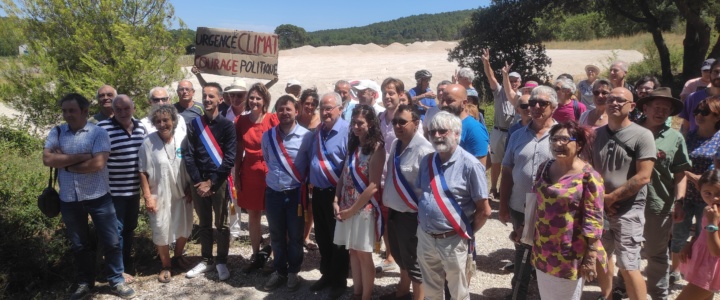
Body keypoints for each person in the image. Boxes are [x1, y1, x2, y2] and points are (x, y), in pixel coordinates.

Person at [42, 93, 135, 299]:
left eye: (72, 110)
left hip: (98, 196)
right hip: (68, 198)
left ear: (84, 111)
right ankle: (85, 283)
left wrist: (64, 162)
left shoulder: (98, 133)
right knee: (80, 244)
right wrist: (83, 157)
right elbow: (47, 159)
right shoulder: (57, 132)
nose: (67, 115)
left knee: (111, 241)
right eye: (64, 111)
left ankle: (116, 280)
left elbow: (98, 164)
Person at [416, 111, 491, 300]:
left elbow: (484, 210)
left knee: (458, 292)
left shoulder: (471, 165)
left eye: (443, 131)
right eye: (432, 132)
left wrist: (465, 233)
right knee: (431, 290)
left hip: (453, 239)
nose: (437, 136)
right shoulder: (427, 161)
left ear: (456, 134)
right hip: (426, 236)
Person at [592, 87, 656, 300]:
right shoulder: (595, 134)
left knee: (629, 265)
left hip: (629, 209)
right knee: (602, 258)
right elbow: (587, 169)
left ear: (632, 106)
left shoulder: (642, 135)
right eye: (610, 99)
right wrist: (601, 199)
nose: (614, 103)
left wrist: (611, 198)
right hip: (600, 209)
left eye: (621, 100)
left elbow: (644, 176)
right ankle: (607, 296)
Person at [530, 121, 605, 300]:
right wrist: (524, 228)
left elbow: (594, 219)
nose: (558, 144)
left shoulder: (589, 176)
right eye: (554, 139)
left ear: (578, 144)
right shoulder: (545, 168)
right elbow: (536, 202)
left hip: (570, 253)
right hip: (543, 248)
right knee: (547, 296)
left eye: (564, 139)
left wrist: (591, 256)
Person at [500, 86, 558, 300]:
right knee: (522, 252)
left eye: (542, 103)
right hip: (519, 205)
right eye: (531, 103)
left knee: (549, 254)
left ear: (553, 107)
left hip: (551, 210)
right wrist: (503, 205)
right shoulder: (516, 135)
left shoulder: (563, 135)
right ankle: (518, 294)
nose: (535, 107)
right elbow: (507, 170)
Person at [632, 87, 690, 299]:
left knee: (656, 253)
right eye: (656, 107)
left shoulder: (675, 138)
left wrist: (680, 201)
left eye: (665, 109)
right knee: (627, 249)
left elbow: (681, 173)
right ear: (645, 108)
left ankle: (658, 293)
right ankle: (624, 285)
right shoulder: (630, 131)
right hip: (628, 203)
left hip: (659, 203)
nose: (660, 112)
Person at [380, 104, 434, 300]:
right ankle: (402, 292)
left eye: (402, 122)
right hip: (395, 212)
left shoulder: (424, 150)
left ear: (416, 123)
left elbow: (430, 190)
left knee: (414, 262)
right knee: (401, 257)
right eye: (395, 122)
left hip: (412, 216)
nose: (397, 125)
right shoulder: (396, 144)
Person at [184, 82, 236, 281]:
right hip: (198, 183)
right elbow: (189, 155)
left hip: (219, 182)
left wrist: (212, 183)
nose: (207, 99)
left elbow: (230, 158)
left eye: (212, 96)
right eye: (205, 96)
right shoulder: (194, 125)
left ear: (220, 100)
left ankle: (221, 260)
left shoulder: (227, 126)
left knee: (221, 225)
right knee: (204, 224)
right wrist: (198, 182)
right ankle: (206, 259)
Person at [333, 104, 386, 300]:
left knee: (364, 254)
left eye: (360, 123)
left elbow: (373, 186)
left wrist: (352, 210)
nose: (356, 126)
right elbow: (343, 175)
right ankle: (356, 292)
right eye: (354, 123)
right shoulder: (353, 145)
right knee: (352, 252)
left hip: (363, 209)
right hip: (346, 205)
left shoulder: (377, 148)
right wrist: (336, 200)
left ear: (371, 123)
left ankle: (366, 296)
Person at [261, 95, 313, 291]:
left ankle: (293, 272)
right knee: (276, 235)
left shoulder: (306, 136)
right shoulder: (268, 136)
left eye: (288, 109)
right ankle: (280, 271)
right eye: (281, 109)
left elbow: (309, 163)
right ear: (276, 112)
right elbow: (267, 159)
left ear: (296, 111)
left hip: (295, 195)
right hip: (273, 192)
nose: (284, 113)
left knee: (295, 235)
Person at [138, 104, 193, 283]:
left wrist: (191, 187)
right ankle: (166, 264)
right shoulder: (148, 142)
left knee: (184, 226)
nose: (162, 124)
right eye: (158, 121)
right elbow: (142, 171)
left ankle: (177, 256)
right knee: (161, 228)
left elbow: (192, 164)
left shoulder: (183, 138)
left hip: (183, 193)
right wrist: (147, 197)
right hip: (159, 194)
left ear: (174, 121)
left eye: (166, 120)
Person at [96, 95, 147, 282]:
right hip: (113, 192)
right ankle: (116, 271)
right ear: (113, 110)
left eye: (126, 108)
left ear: (133, 108)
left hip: (134, 191)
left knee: (129, 229)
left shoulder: (141, 126)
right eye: (118, 109)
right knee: (114, 232)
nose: (123, 112)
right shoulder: (102, 129)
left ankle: (125, 264)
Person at [672, 96, 720, 286]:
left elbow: (717, 175)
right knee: (679, 233)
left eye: (705, 112)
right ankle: (675, 270)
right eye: (697, 111)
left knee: (705, 235)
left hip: (709, 198)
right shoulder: (689, 135)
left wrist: (693, 177)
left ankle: (703, 277)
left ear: (717, 116)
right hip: (687, 194)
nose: (698, 115)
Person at [308, 92, 351, 299]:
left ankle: (339, 280)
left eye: (329, 108)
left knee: (338, 240)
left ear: (340, 109)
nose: (324, 112)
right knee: (323, 236)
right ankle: (326, 274)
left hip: (337, 194)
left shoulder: (348, 132)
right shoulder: (319, 131)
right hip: (318, 192)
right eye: (322, 108)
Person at [235, 83, 279, 273]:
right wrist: (236, 175)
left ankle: (276, 256)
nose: (254, 101)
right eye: (251, 97)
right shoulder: (240, 121)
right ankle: (255, 254)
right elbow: (238, 151)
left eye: (258, 98)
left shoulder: (272, 119)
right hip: (250, 172)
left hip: (270, 172)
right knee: (253, 215)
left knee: (273, 216)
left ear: (265, 101)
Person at [676, 169, 720, 300]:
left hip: (712, 268)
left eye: (719, 193)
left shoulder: (713, 215)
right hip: (703, 263)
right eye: (708, 193)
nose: (714, 198)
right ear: (699, 191)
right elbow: (704, 233)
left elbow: (716, 251)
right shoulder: (710, 210)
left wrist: (712, 222)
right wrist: (691, 243)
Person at [482, 48, 518, 199]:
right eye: (510, 80)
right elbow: (491, 77)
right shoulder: (499, 91)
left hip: (513, 132)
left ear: (520, 82)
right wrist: (486, 62)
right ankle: (493, 189)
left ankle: (507, 190)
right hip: (498, 131)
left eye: (516, 81)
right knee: (496, 162)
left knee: (511, 164)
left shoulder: (521, 96)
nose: (513, 83)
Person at [439, 84, 490, 165]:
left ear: (464, 103)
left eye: (449, 100)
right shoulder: (442, 125)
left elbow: (479, 168)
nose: (444, 104)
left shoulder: (474, 129)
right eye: (442, 100)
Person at [298, 87, 321, 250]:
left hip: (314, 166)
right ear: (301, 103)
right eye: (307, 103)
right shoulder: (294, 118)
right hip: (297, 166)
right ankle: (295, 234)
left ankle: (306, 235)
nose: (310, 107)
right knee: (298, 203)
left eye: (313, 104)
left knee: (311, 204)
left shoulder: (321, 120)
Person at [680, 58, 720, 134]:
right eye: (716, 72)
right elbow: (685, 126)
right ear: (710, 73)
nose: (719, 76)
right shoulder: (693, 98)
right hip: (693, 144)